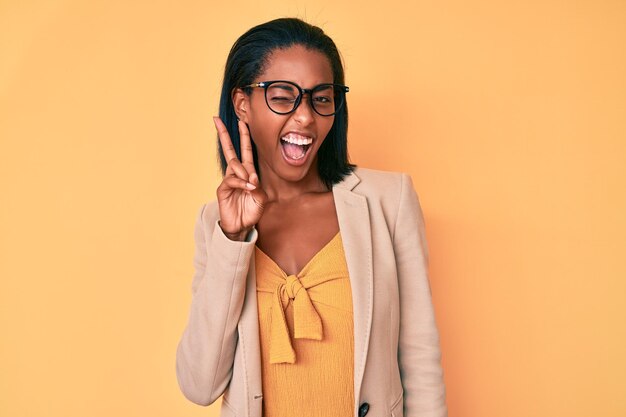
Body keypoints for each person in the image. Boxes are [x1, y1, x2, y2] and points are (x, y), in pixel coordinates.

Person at [176, 17, 448, 417]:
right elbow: (199, 384)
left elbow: (421, 363)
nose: (305, 117)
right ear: (242, 105)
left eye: (321, 98)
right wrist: (233, 241)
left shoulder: (388, 201)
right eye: (283, 96)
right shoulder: (215, 225)